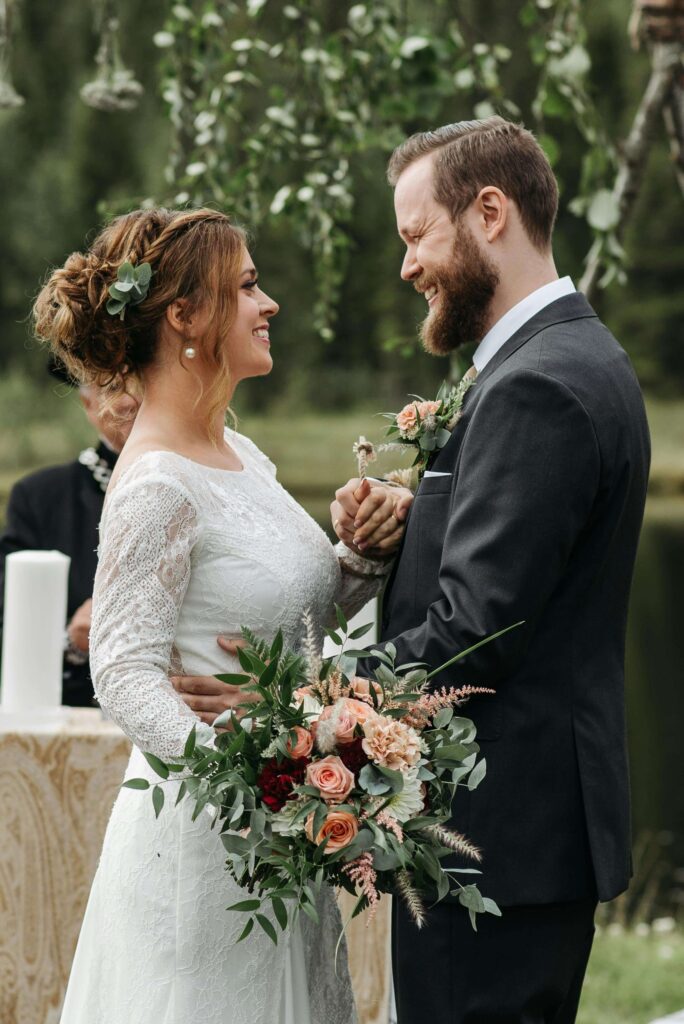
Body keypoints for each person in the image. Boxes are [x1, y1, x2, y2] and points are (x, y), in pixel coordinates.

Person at [33, 207, 407, 1024]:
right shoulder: (160, 482)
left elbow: (292, 613)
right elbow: (125, 670)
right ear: (186, 316)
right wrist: (254, 775)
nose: (268, 303)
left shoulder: (238, 452)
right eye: (246, 286)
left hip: (272, 845)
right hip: (205, 850)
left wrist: (369, 552)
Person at [332, 117, 650, 1024]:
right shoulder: (564, 358)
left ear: (489, 211)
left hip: (499, 837)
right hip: (525, 834)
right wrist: (412, 526)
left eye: (414, 234)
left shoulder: (534, 386)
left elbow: (476, 633)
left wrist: (309, 699)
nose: (406, 266)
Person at [0, 363, 137, 705]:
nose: (133, 399)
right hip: (76, 705)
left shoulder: (224, 485)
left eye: (145, 381)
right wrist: (70, 641)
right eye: (113, 386)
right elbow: (10, 628)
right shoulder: (39, 498)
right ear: (88, 404)